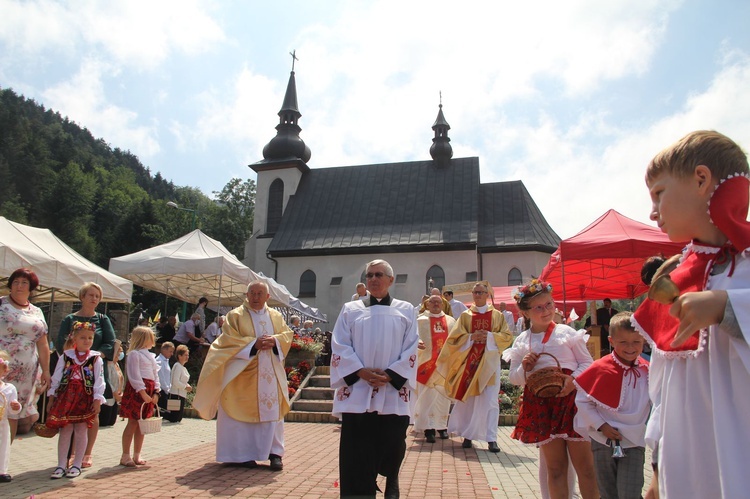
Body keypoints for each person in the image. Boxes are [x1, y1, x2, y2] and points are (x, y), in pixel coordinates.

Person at [631, 130, 750, 498]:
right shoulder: (675, 277)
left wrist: (727, 307)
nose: (653, 212)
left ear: (701, 179)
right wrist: (656, 468)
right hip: (685, 462)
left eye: (659, 194)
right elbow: (663, 386)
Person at [331, 259, 418, 498]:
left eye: (379, 275)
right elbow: (339, 344)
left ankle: (391, 475)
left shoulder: (406, 309)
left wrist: (391, 375)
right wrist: (360, 371)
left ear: (391, 280)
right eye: (369, 275)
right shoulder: (351, 309)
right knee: (356, 449)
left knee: (392, 441)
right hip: (359, 387)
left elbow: (411, 348)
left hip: (392, 389)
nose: (373, 279)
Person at [503, 279, 597, 499]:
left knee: (586, 467)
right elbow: (516, 378)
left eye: (549, 305)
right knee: (555, 469)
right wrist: (525, 367)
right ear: (525, 313)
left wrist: (572, 380)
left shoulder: (566, 332)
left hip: (571, 402)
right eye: (538, 307)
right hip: (542, 404)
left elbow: (587, 364)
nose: (546, 311)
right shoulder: (522, 341)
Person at [192, 280, 293, 471]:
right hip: (242, 372)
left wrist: (275, 341)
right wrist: (253, 345)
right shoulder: (235, 316)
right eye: (252, 293)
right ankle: (242, 455)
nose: (255, 297)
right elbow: (227, 341)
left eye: (259, 294)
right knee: (238, 412)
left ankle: (274, 454)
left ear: (267, 297)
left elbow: (286, 335)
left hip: (269, 373)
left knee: (272, 413)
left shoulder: (276, 316)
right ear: (246, 295)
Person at [574, 312, 650, 499]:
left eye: (636, 342)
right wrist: (602, 426)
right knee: (607, 492)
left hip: (634, 441)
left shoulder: (648, 370)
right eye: (623, 342)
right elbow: (583, 401)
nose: (630, 348)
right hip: (603, 439)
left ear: (644, 341)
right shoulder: (600, 367)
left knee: (629, 492)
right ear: (611, 340)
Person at [437, 282, 512, 453]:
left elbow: (507, 337)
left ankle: (492, 438)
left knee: (491, 401)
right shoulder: (465, 316)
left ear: (487, 294)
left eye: (481, 292)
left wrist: (490, 336)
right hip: (469, 362)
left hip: (490, 364)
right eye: (475, 292)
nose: (477, 295)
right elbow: (454, 339)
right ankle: (468, 436)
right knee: (468, 400)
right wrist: (471, 337)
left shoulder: (497, 315)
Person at [54, 281, 116, 468]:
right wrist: (75, 358)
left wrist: (93, 357)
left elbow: (110, 342)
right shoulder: (69, 319)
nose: (94, 299)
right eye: (90, 295)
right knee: (72, 413)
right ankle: (71, 453)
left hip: (93, 370)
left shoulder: (103, 319)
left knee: (92, 411)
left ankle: (87, 452)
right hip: (72, 372)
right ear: (82, 297)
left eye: (97, 296)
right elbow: (60, 342)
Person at [46, 321, 106, 479]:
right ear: (74, 339)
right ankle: (61, 464)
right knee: (65, 430)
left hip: (84, 397)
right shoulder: (66, 356)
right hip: (66, 396)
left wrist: (97, 399)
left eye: (90, 338)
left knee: (81, 429)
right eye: (83, 337)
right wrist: (52, 396)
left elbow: (99, 379)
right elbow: (57, 376)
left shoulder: (95, 358)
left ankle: (77, 463)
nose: (87, 341)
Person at [0, 268, 51, 440]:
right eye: (15, 282)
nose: (19, 286)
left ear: (31, 287)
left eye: (24, 283)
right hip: (2, 368)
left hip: (26, 375)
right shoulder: (1, 304)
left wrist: (46, 371)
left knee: (13, 413)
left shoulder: (36, 311)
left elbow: (43, 344)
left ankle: (4, 458)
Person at [414, 295, 455, 443]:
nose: (436, 304)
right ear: (427, 304)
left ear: (443, 304)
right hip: (426, 365)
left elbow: (456, 340)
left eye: (438, 302)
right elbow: (411, 337)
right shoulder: (420, 321)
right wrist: (416, 342)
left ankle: (442, 427)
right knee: (427, 397)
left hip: (444, 366)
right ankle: (428, 429)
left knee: (442, 398)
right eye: (432, 302)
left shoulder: (451, 321)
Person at [118, 326, 160, 468]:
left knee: (143, 425)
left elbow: (155, 375)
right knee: (133, 422)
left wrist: (156, 392)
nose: (153, 340)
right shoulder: (135, 355)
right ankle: (125, 455)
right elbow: (134, 374)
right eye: (150, 337)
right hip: (138, 390)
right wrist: (142, 392)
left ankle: (137, 454)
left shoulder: (150, 356)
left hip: (149, 389)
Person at [0, 350, 22, 482]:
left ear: (4, 370)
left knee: (3, 445)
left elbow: (13, 410)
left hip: (2, 423)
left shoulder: (9, 388)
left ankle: (2, 470)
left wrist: (16, 407)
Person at [163, 345, 191, 423]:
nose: (187, 357)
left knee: (179, 418)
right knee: (174, 418)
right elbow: (175, 382)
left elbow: (183, 381)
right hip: (176, 395)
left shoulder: (183, 368)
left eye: (188, 355)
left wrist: (187, 385)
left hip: (182, 394)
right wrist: (185, 387)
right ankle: (155, 412)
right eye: (185, 355)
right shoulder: (177, 366)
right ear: (179, 356)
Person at [155, 342, 174, 415]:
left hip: (166, 390)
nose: (171, 354)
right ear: (164, 350)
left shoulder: (166, 361)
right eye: (170, 351)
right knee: (163, 412)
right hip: (162, 390)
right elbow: (161, 377)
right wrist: (166, 389)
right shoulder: (159, 361)